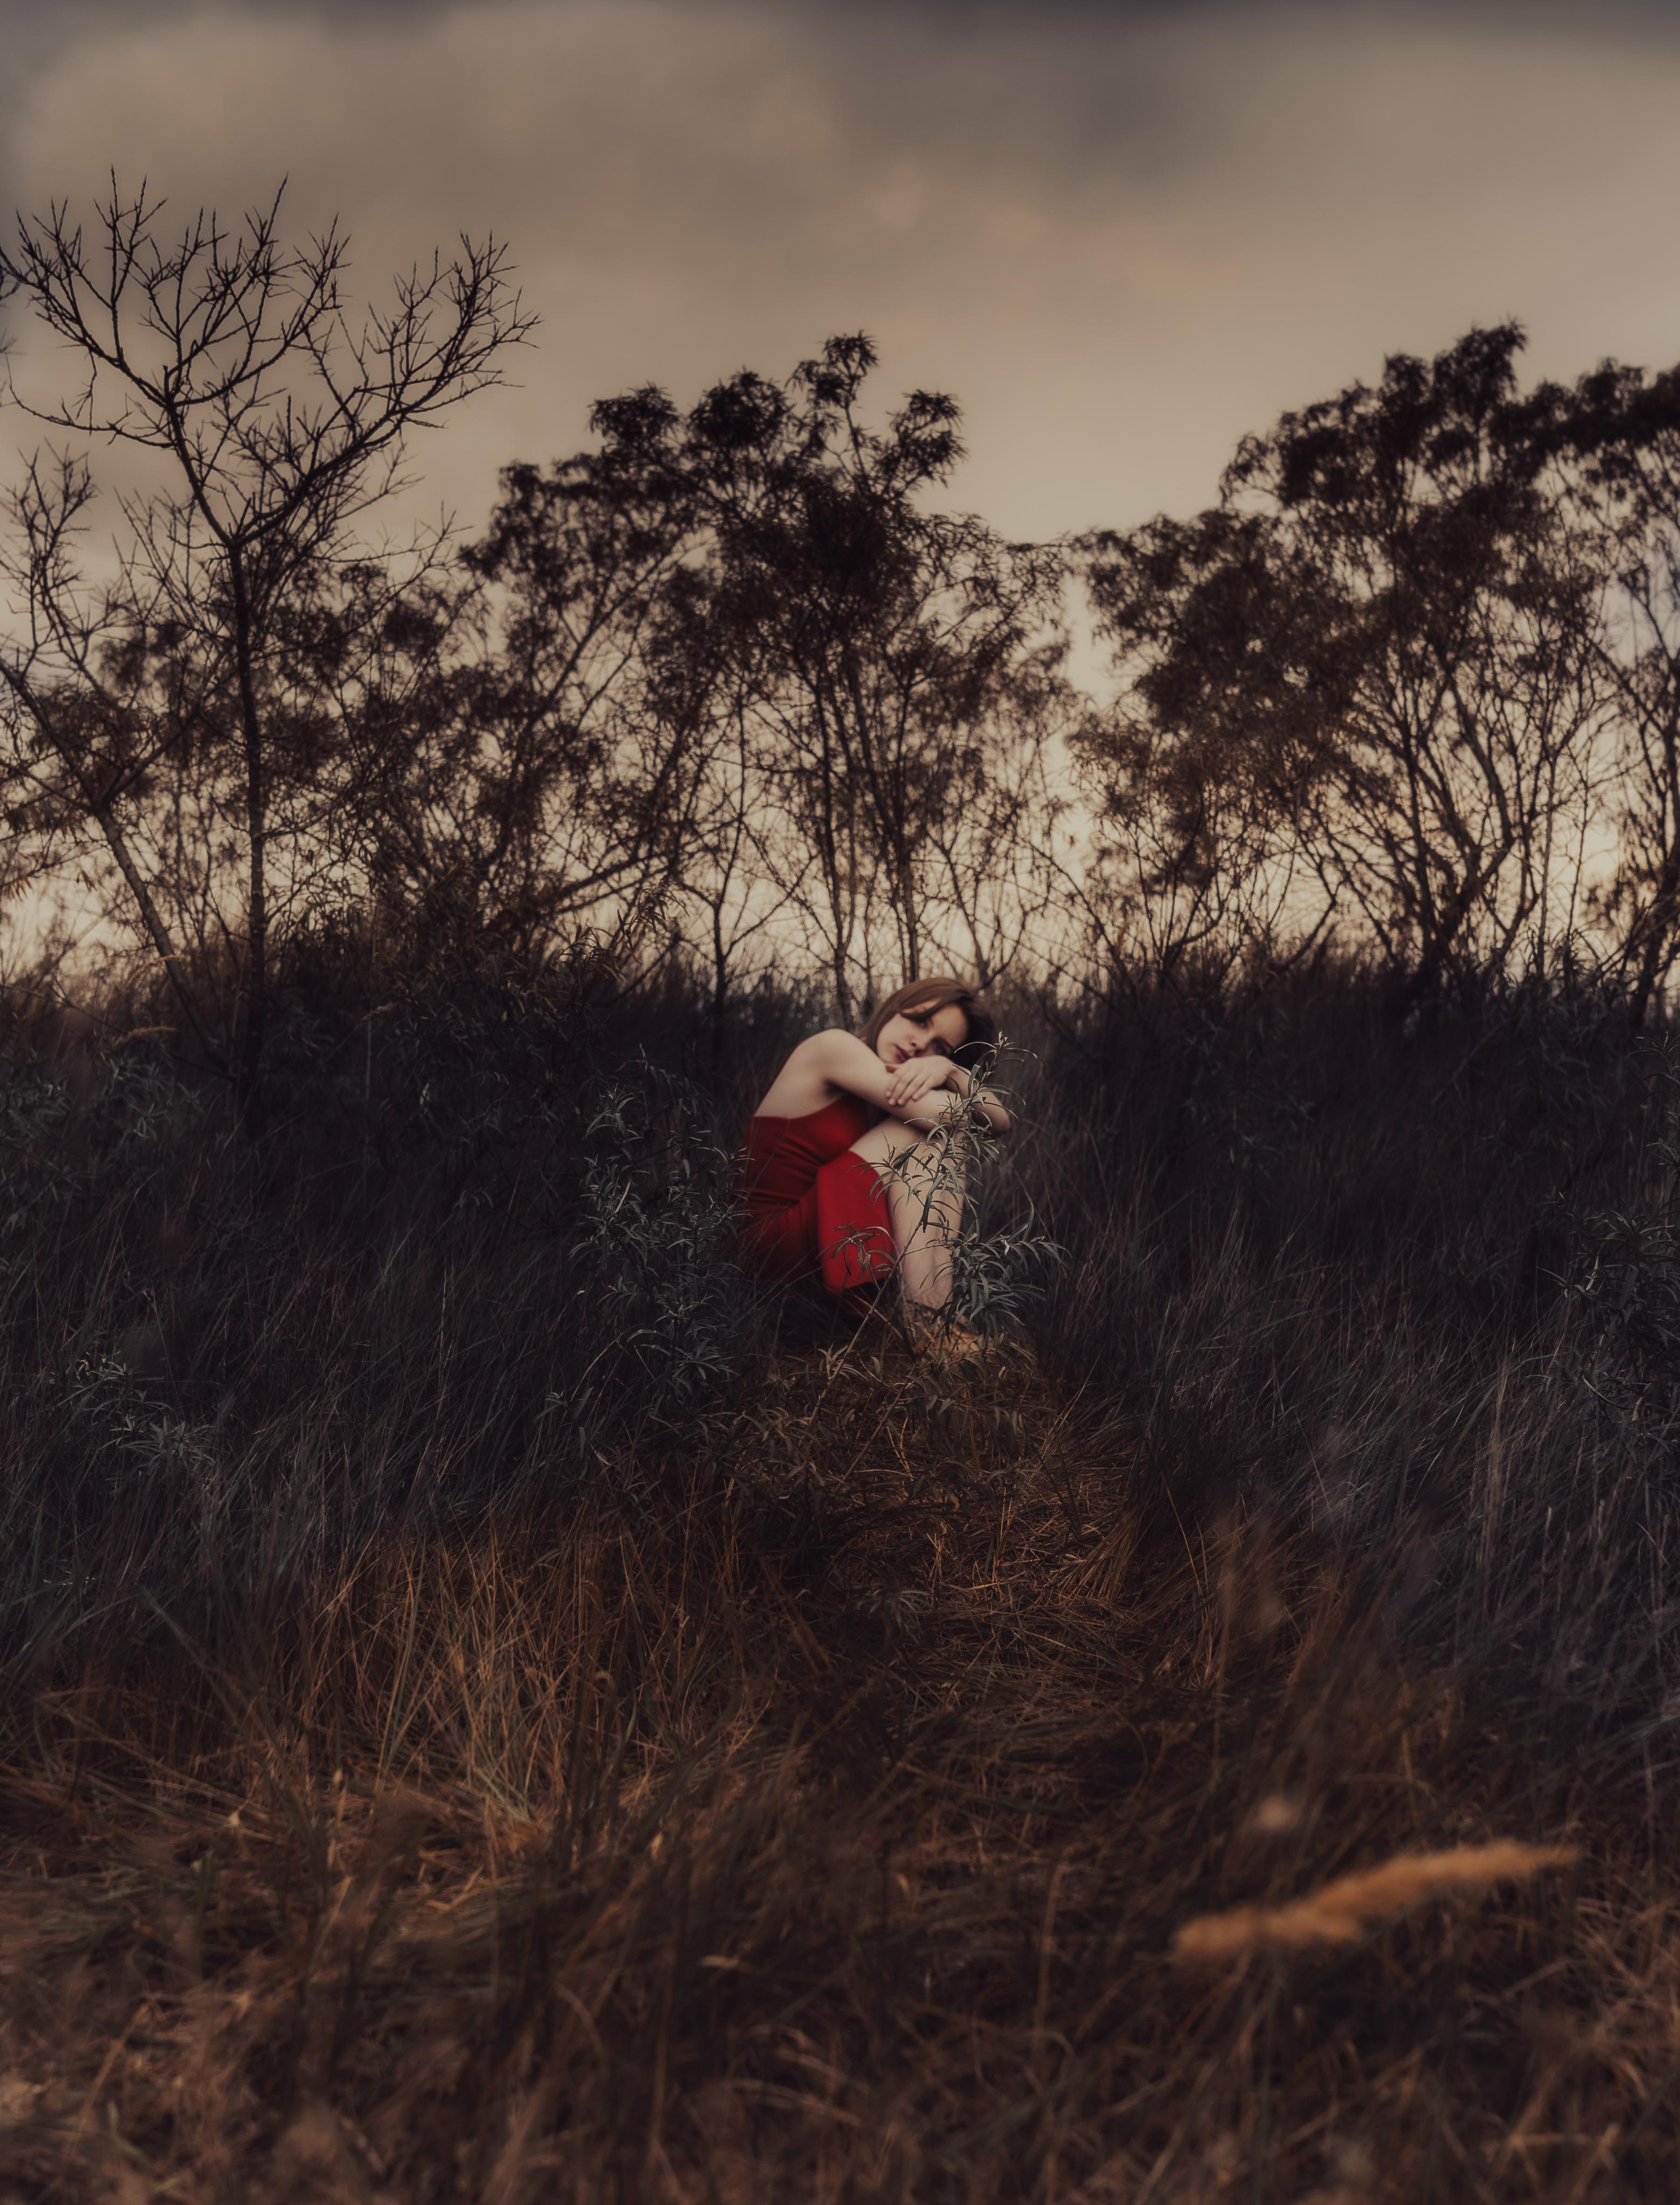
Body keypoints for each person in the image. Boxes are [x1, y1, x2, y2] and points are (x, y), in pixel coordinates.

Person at [734, 977, 1011, 1336]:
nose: (919, 1044)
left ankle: (939, 1314)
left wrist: (951, 1069)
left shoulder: (880, 1087)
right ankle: (925, 1318)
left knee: (946, 1136)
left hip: (819, 1238)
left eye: (939, 1046)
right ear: (896, 1005)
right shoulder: (834, 1047)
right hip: (766, 1246)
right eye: (920, 1021)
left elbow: (1001, 1121)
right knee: (933, 1129)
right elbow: (958, 1117)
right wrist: (948, 1074)